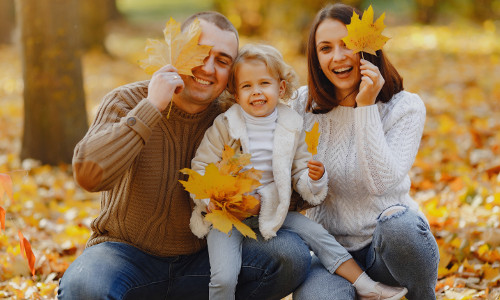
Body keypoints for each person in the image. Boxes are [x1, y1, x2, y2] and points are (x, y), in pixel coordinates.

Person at [58, 12, 313, 300]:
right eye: (199, 52)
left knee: (290, 254)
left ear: (231, 73)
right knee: (84, 287)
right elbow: (89, 175)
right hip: (124, 255)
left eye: (222, 60)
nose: (207, 67)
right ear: (178, 51)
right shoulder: (128, 101)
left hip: (206, 261)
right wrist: (151, 107)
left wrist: (255, 200)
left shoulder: (235, 118)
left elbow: (295, 185)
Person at [189, 43, 408, 300]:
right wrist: (210, 200)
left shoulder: (290, 124)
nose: (256, 92)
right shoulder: (226, 125)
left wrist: (313, 178)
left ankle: (366, 285)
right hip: (227, 214)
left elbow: (299, 172)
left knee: (319, 236)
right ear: (236, 95)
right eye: (246, 86)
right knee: (224, 276)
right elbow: (200, 166)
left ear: (280, 88)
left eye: (264, 84)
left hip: (272, 209)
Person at [290, 3, 440, 300]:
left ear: (367, 47)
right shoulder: (302, 106)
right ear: (315, 58)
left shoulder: (404, 107)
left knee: (401, 226)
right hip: (331, 255)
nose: (338, 57)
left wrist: (366, 107)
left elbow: (381, 183)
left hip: (387, 250)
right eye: (325, 48)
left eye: (347, 44)